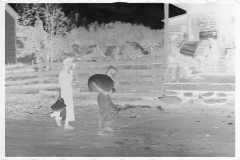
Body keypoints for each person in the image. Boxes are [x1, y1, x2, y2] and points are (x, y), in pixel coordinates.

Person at [89, 66, 120, 135]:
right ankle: (99, 131)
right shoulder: (102, 79)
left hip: (107, 98)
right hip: (102, 98)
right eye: (110, 73)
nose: (111, 75)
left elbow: (109, 88)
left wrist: (112, 89)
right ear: (107, 72)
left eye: (113, 74)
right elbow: (94, 83)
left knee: (114, 111)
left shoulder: (110, 81)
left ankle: (106, 126)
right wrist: (100, 90)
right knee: (102, 114)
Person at [50, 57, 76, 129]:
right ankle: (57, 116)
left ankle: (66, 124)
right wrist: (60, 95)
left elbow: (70, 81)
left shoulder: (70, 72)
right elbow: (60, 85)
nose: (71, 65)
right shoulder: (62, 73)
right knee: (62, 105)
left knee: (69, 107)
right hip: (64, 90)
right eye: (70, 64)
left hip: (69, 90)